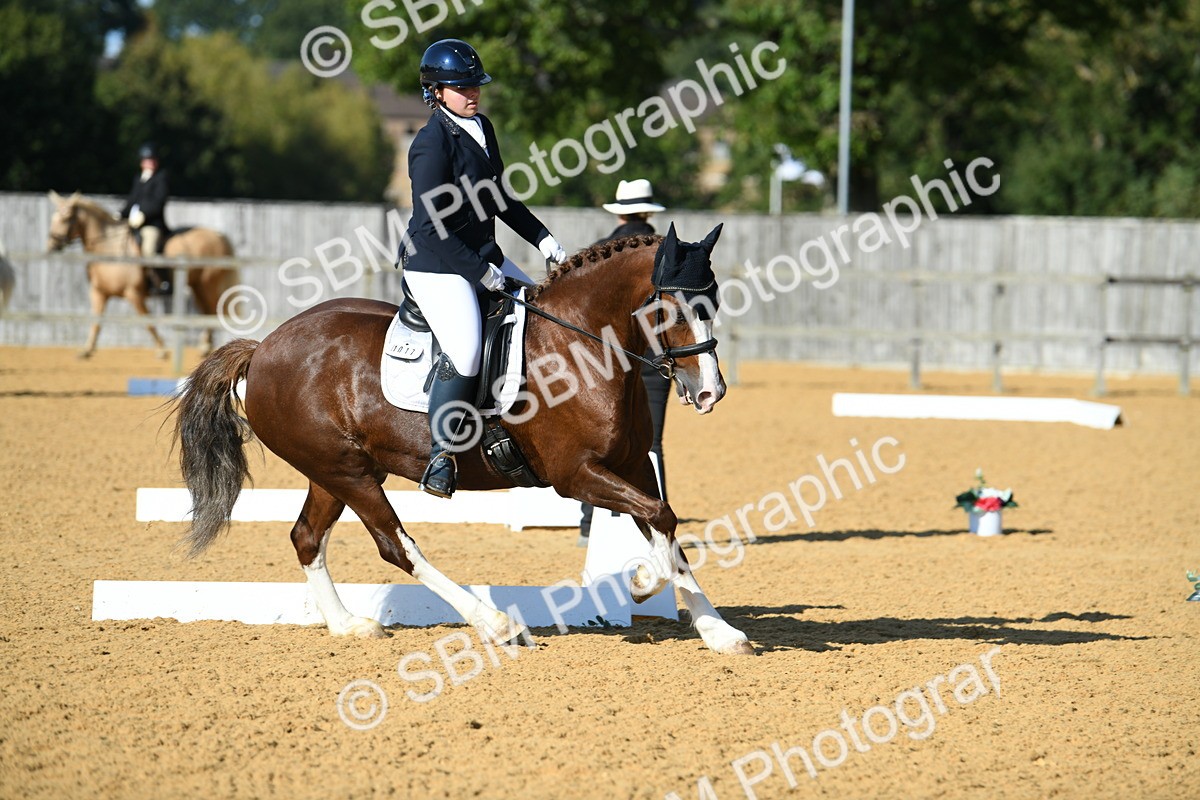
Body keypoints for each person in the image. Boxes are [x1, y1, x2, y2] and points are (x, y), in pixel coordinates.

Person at [401, 38, 568, 499]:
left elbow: (498, 197)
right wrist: (482, 273)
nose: (472, 92)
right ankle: (441, 454)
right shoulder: (430, 145)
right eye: (460, 86)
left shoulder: (481, 127)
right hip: (436, 264)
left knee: (541, 313)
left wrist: (542, 237)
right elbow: (434, 229)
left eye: (475, 84)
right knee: (467, 347)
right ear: (435, 90)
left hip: (479, 254)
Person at [578, 179, 669, 542]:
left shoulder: (601, 252)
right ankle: (654, 521)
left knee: (596, 444)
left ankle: (590, 524)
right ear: (648, 211)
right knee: (650, 444)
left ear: (618, 211)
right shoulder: (662, 253)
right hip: (656, 359)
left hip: (606, 362)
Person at [120, 142, 171, 294]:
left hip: (152, 224)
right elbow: (131, 201)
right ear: (142, 162)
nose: (151, 162)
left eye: (153, 159)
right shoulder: (139, 179)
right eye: (148, 159)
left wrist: (143, 214)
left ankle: (161, 282)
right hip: (134, 224)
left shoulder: (161, 178)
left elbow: (158, 202)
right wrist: (120, 214)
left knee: (148, 251)